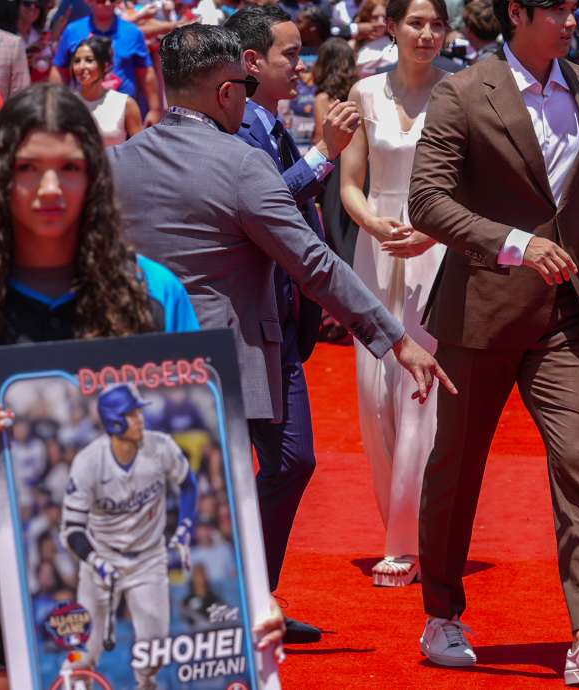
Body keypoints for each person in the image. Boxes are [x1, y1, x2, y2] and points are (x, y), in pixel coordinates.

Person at [0, 82, 285, 689]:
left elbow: (210, 471)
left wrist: (246, 591)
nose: (48, 188)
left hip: (147, 591)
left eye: (69, 168)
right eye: (28, 168)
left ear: (96, 176)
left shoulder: (154, 294)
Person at [109, 21, 455, 638]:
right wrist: (396, 339)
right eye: (241, 85)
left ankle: (199, 614)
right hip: (229, 356)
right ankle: (227, 613)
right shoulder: (240, 163)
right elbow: (314, 262)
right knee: (218, 495)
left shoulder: (118, 162)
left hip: (140, 359)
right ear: (224, 92)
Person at [408, 0, 579, 681]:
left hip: (568, 312)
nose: (574, 19)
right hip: (479, 312)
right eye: (560, 8)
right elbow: (426, 201)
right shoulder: (462, 90)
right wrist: (514, 244)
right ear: (517, 11)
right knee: (456, 469)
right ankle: (443, 615)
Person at [223, 4, 362, 639]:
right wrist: (324, 154)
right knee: (284, 460)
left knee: (291, 461)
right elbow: (271, 206)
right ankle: (241, 594)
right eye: (288, 55)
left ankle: (250, 594)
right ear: (252, 64)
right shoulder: (240, 127)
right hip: (249, 326)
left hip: (281, 319)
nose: (299, 66)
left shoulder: (264, 120)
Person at [338, 0, 448, 588]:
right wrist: (373, 224)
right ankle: (402, 521)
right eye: (416, 22)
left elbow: (469, 182)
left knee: (419, 390)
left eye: (436, 24)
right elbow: (349, 182)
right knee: (373, 392)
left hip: (436, 247)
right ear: (393, 27)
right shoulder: (363, 93)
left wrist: (431, 230)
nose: (426, 34)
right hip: (374, 248)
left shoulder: (459, 92)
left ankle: (405, 539)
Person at [61, 383, 199, 688]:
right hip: (102, 559)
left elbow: (189, 483)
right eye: (132, 414)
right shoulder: (88, 462)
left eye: (138, 412)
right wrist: (96, 562)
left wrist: (185, 530)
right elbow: (71, 530)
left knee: (154, 654)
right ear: (114, 421)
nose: (140, 419)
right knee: (83, 651)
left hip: (149, 558)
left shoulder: (160, 446)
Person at [50, 0, 164, 125]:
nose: (108, 4)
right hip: (82, 112)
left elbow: (146, 73)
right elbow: (59, 70)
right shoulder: (73, 31)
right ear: (90, 2)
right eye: (102, 0)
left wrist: (155, 109)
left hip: (125, 114)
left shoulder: (133, 32)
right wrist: (55, 105)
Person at [312, 37, 362, 267]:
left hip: (334, 166)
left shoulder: (322, 98)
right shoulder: (359, 91)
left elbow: (320, 138)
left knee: (334, 224)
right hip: (360, 165)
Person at [69, 35, 144, 145]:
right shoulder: (66, 103)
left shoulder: (125, 103)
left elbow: (140, 149)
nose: (81, 66)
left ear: (106, 65)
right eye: (77, 61)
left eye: (89, 60)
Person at [354, 0, 395, 76]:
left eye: (384, 17)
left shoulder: (396, 44)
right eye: (375, 18)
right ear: (366, 18)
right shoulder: (353, 45)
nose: (380, 23)